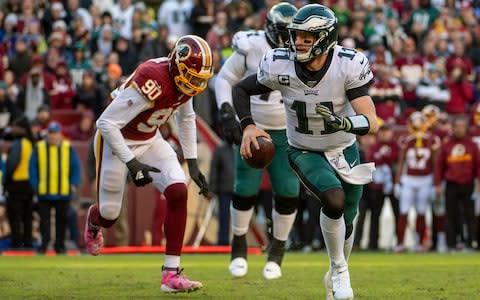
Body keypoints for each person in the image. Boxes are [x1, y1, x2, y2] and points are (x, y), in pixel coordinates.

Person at [232, 4, 378, 300]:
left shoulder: (347, 65)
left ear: (324, 38)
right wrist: (248, 125)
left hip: (343, 148)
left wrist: (344, 122)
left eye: (306, 37)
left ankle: (336, 270)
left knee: (348, 217)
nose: (298, 42)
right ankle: (339, 271)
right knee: (333, 199)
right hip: (304, 149)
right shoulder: (279, 63)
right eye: (296, 36)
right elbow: (241, 89)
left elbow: (371, 121)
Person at [83, 35, 213, 294]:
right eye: (193, 77)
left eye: (201, 79)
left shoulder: (182, 82)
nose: (196, 84)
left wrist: (192, 162)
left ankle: (171, 274)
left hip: (149, 137)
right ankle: (94, 220)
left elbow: (187, 119)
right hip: (115, 140)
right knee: (109, 216)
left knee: (178, 191)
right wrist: (132, 164)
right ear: (177, 66)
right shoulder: (153, 78)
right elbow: (106, 123)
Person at [214, 2, 299, 280]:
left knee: (288, 191)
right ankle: (238, 245)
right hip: (253, 126)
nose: (289, 39)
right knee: (244, 188)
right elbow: (225, 78)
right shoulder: (251, 45)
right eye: (284, 32)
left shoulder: (305, 51)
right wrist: (227, 112)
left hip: (288, 131)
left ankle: (277, 249)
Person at [29, 121, 81, 254]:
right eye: (51, 133)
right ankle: (44, 245)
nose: (53, 136)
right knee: (44, 222)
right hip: (44, 191)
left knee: (61, 221)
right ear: (48, 134)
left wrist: (73, 183)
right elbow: (32, 168)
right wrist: (35, 185)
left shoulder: (67, 147)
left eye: (55, 133)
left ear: (60, 134)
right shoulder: (39, 147)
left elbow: (75, 167)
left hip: (63, 191)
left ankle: (60, 246)